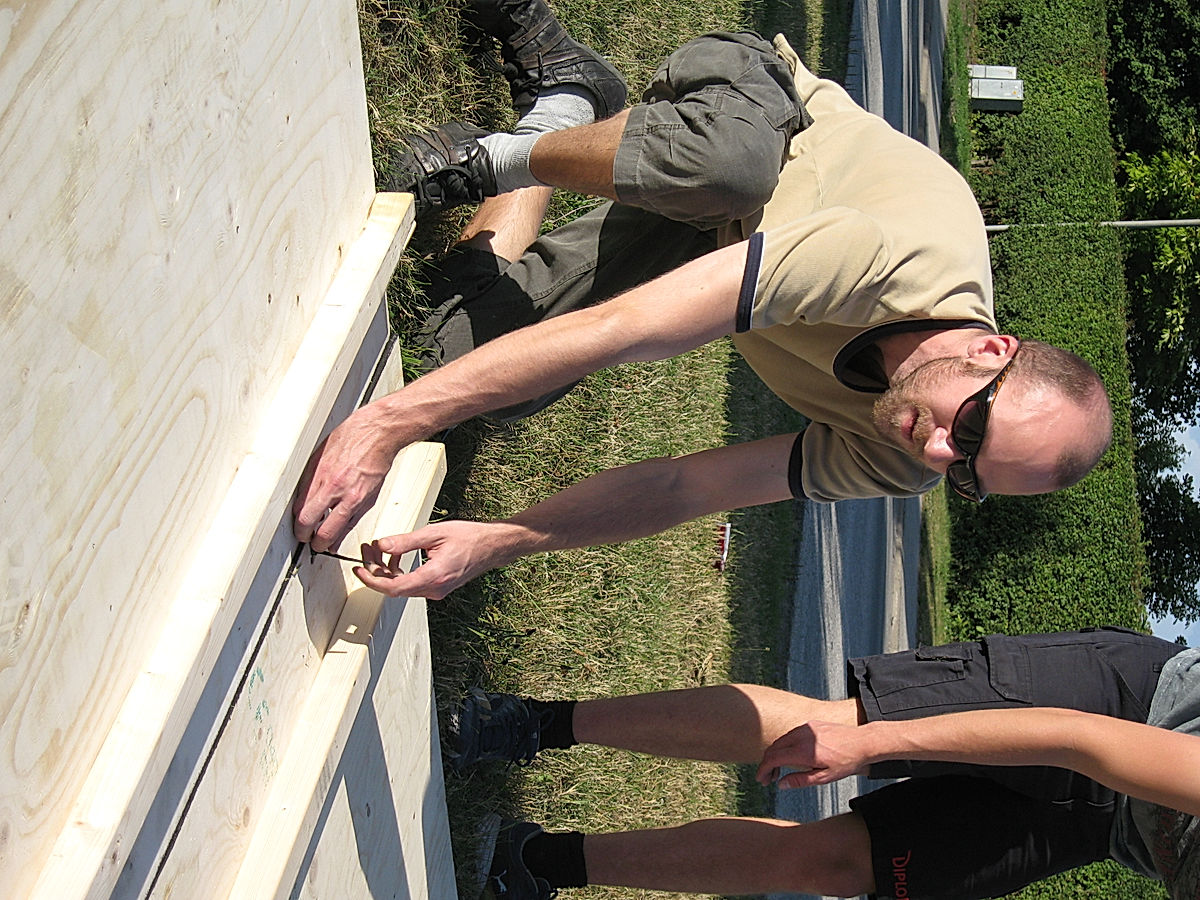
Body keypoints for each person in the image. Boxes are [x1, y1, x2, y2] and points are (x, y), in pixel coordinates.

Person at [293, 1, 1113, 598]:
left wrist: (497, 542)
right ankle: (494, 159)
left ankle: (567, 96)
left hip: (722, 247)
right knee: (723, 168)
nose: (940, 456)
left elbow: (692, 488)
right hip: (754, 116)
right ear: (992, 349)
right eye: (972, 428)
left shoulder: (902, 460)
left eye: (968, 474)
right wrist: (383, 425)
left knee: (468, 370)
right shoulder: (893, 258)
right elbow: (625, 330)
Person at [448, 627, 1198, 899]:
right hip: (1126, 712)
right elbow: (1076, 737)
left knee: (839, 868)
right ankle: (527, 727)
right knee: (824, 730)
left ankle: (541, 862)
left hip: (1107, 834)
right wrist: (875, 742)